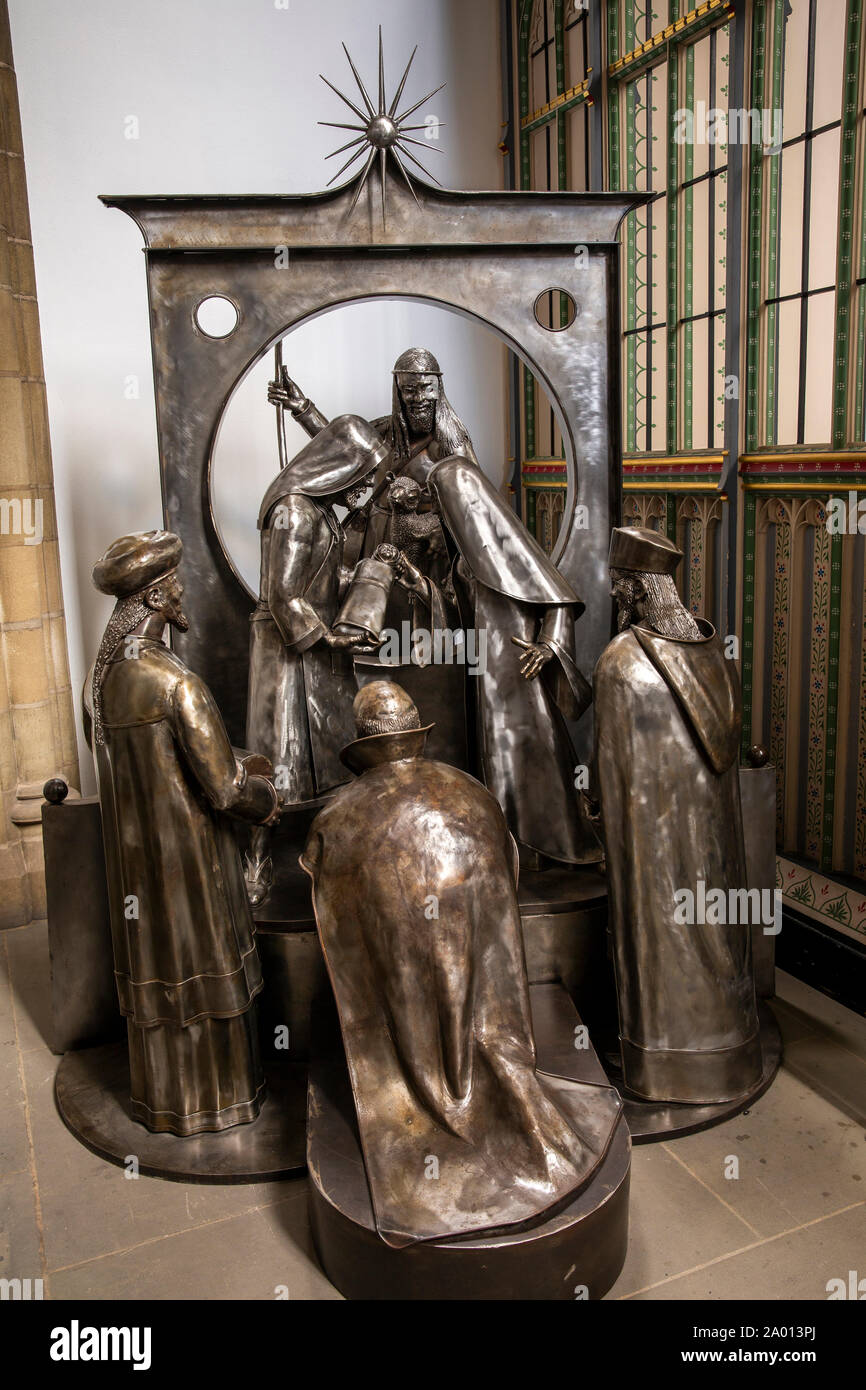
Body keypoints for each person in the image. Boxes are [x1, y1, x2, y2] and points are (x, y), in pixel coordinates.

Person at [300, 680, 622, 1247]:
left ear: (360, 748)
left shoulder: (337, 817)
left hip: (404, 954)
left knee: (405, 976)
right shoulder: (472, 791)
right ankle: (498, 1082)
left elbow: (324, 895)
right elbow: (510, 873)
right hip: (476, 947)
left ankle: (434, 1090)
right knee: (472, 998)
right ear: (417, 734)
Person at [84, 530, 279, 1135]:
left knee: (158, 972)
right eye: (175, 588)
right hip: (193, 866)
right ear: (157, 599)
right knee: (204, 969)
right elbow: (222, 790)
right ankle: (223, 1103)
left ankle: (166, 1102)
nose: (182, 594)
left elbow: (158, 767)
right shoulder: (175, 684)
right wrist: (267, 798)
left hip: (138, 872)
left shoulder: (106, 683)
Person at [592, 526, 762, 1104]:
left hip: (654, 858)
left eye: (621, 589)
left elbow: (612, 788)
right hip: (712, 854)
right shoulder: (715, 654)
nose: (617, 600)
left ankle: (663, 1066)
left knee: (659, 933)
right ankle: (730, 1050)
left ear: (637, 590)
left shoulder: (623, 664)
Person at [244, 414, 386, 903]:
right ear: (337, 467)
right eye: (362, 476)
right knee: (281, 757)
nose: (366, 487)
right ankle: (256, 862)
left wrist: (370, 580)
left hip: (321, 647)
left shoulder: (321, 511)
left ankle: (337, 852)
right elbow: (284, 595)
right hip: (289, 652)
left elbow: (321, 581)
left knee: (334, 753)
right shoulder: (295, 511)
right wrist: (328, 639)